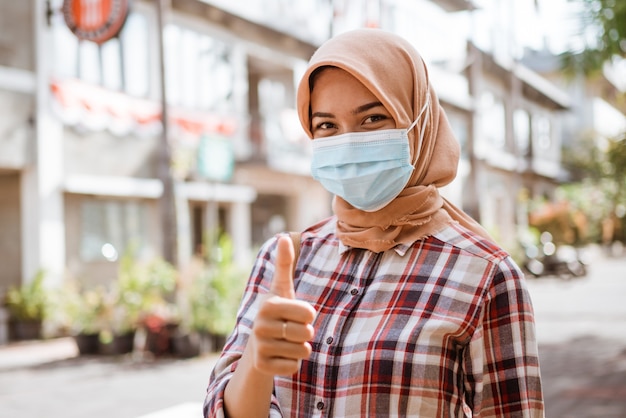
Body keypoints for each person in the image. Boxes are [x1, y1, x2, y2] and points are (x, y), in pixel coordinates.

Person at [203, 28, 544, 418]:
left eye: (373, 118)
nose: (348, 145)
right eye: (327, 126)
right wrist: (257, 363)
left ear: (419, 121)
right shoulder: (286, 259)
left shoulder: (486, 276)